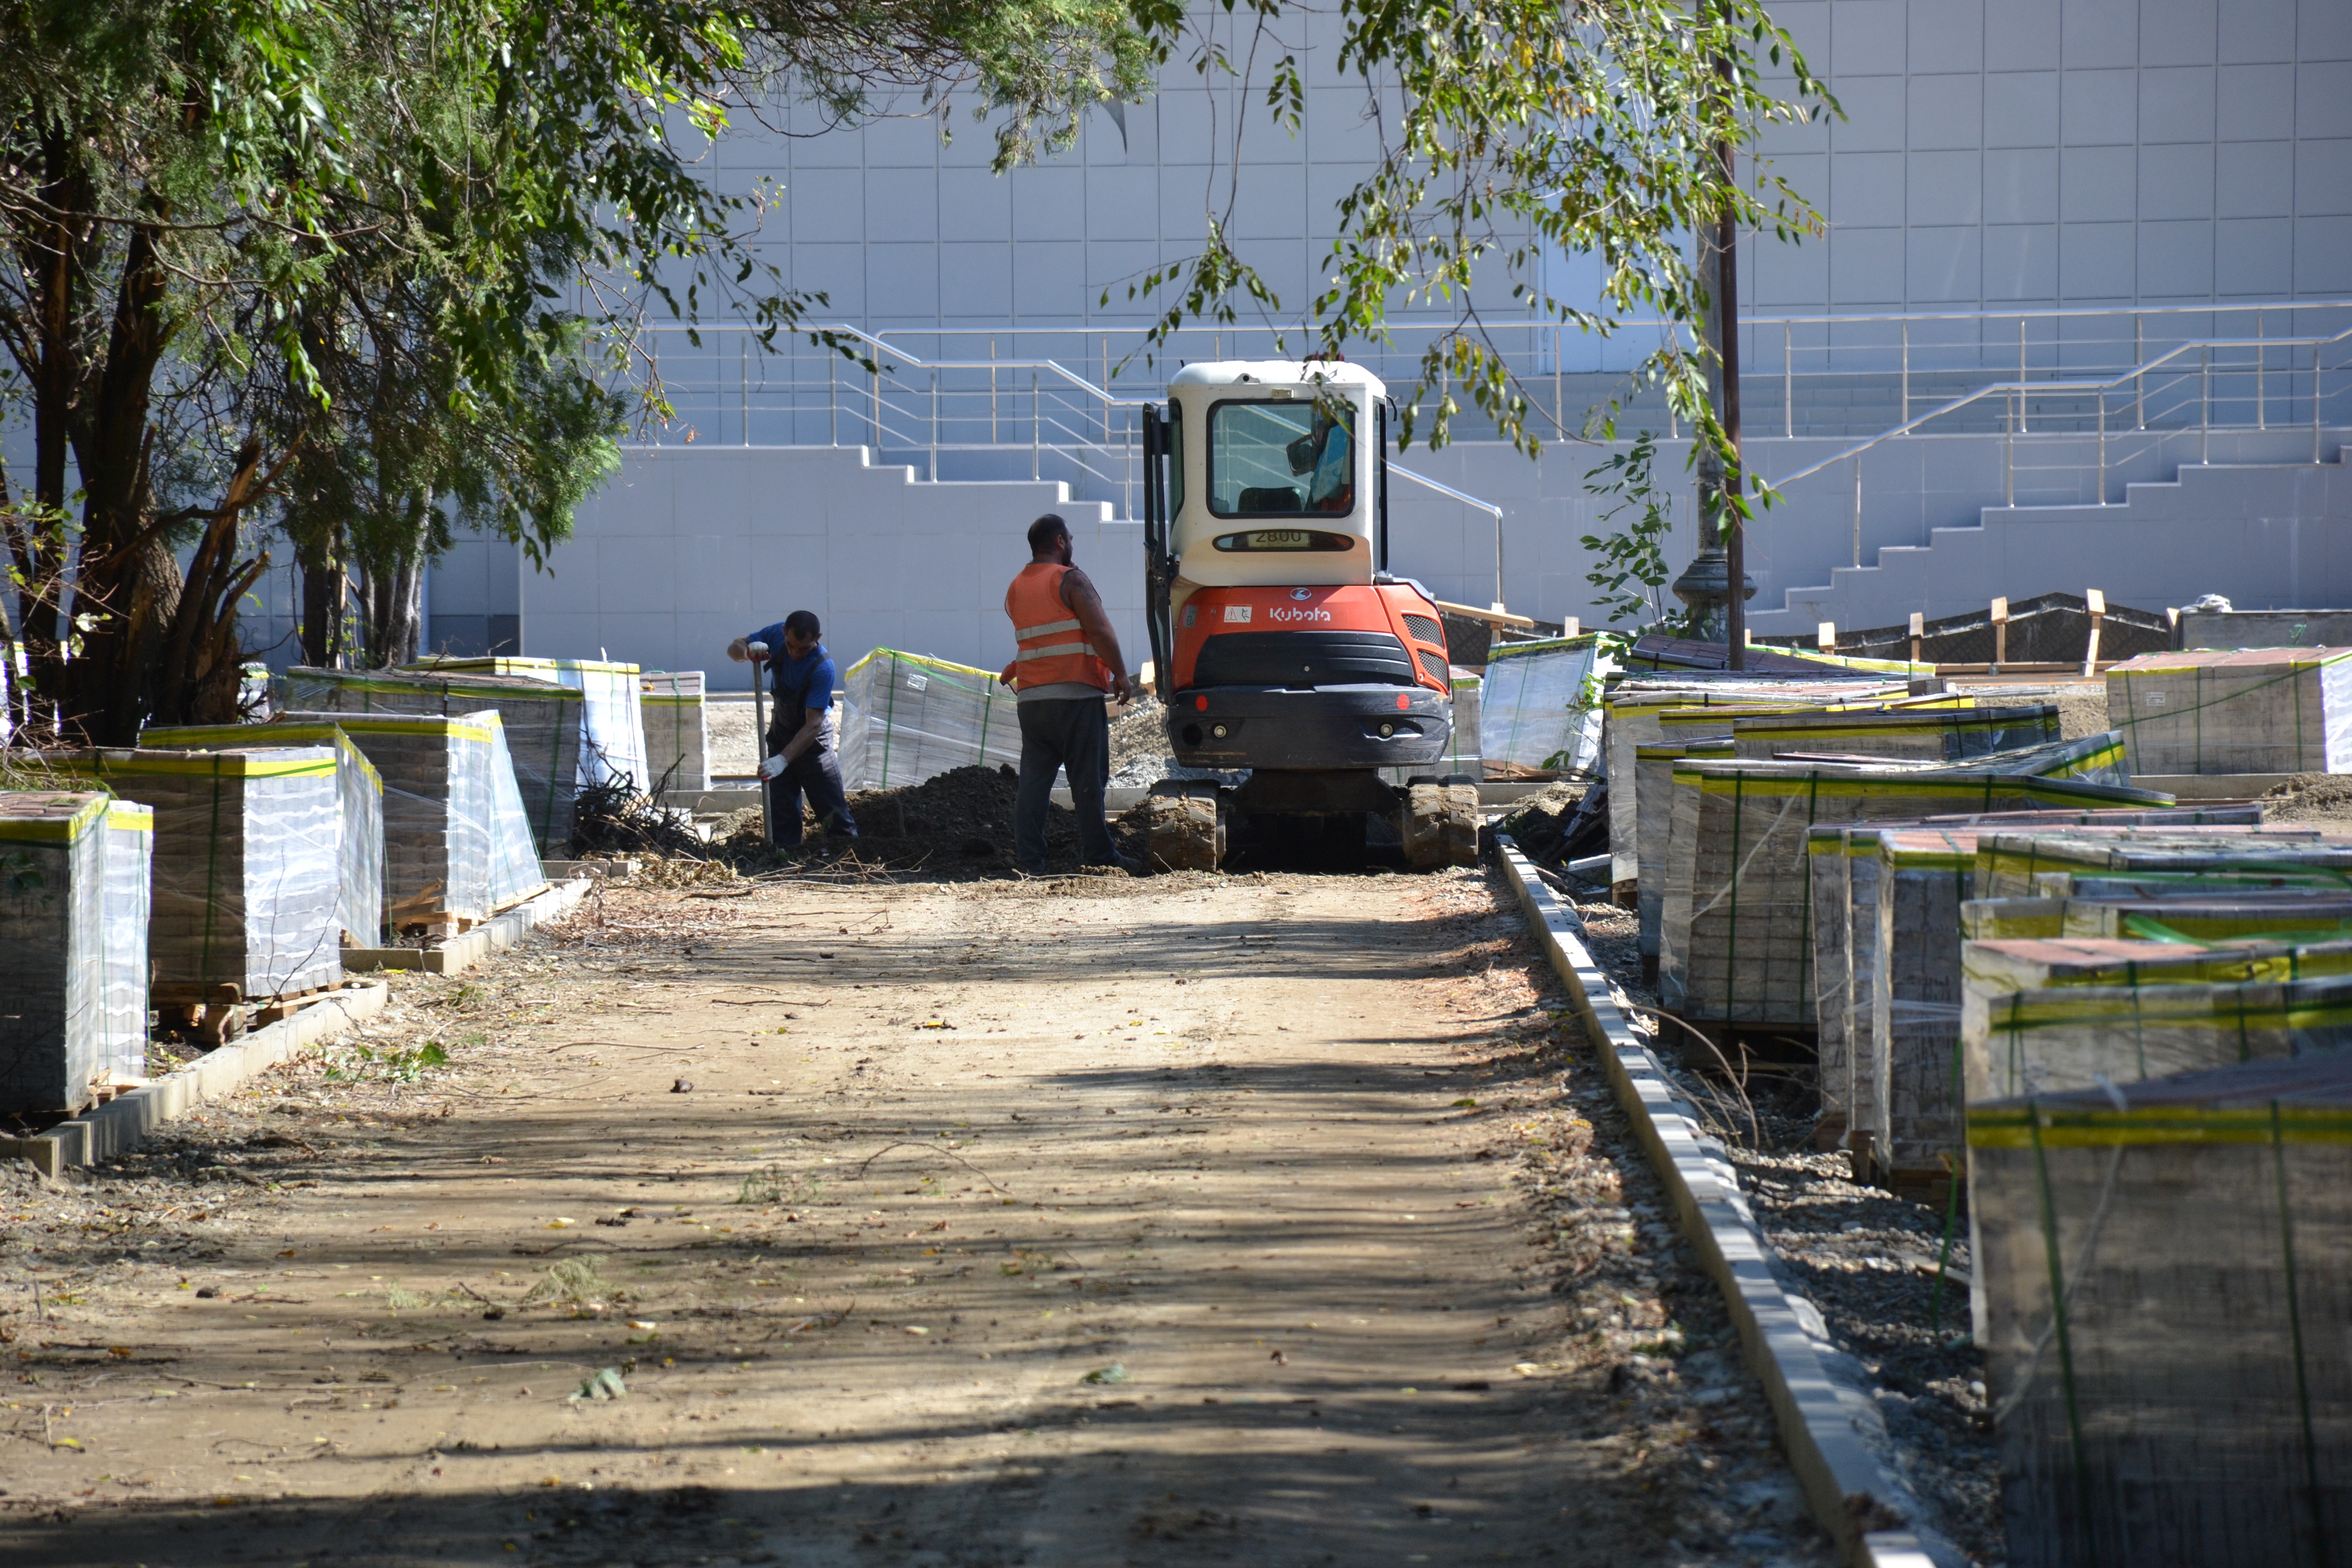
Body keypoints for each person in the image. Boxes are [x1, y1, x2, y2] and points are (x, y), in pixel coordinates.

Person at [1000, 513, 1140, 875]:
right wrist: (1122, 675)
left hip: (1032, 701)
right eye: (1071, 539)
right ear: (1061, 541)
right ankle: (1101, 856)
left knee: (1033, 785)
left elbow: (1039, 640)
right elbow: (1100, 632)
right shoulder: (1071, 580)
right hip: (1076, 697)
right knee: (1088, 782)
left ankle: (1030, 863)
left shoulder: (1016, 586)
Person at [726, 609, 859, 848]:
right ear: (784, 633)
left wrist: (782, 760)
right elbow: (733, 649)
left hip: (813, 747)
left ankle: (847, 863)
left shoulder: (823, 668)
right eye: (791, 646)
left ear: (818, 637)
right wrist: (747, 652)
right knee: (783, 819)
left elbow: (814, 724)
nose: (796, 653)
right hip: (780, 735)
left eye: (804, 649)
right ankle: (784, 862)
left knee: (835, 819)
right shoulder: (775, 636)